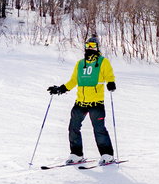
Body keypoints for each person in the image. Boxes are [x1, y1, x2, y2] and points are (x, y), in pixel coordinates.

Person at [47, 35, 117, 165]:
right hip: (80, 102)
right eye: (88, 46)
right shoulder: (80, 63)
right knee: (73, 127)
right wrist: (61, 89)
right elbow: (74, 80)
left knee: (99, 129)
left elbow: (109, 75)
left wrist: (111, 83)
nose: (90, 48)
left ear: (97, 48)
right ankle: (76, 154)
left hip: (96, 103)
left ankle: (107, 155)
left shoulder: (103, 62)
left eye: (93, 46)